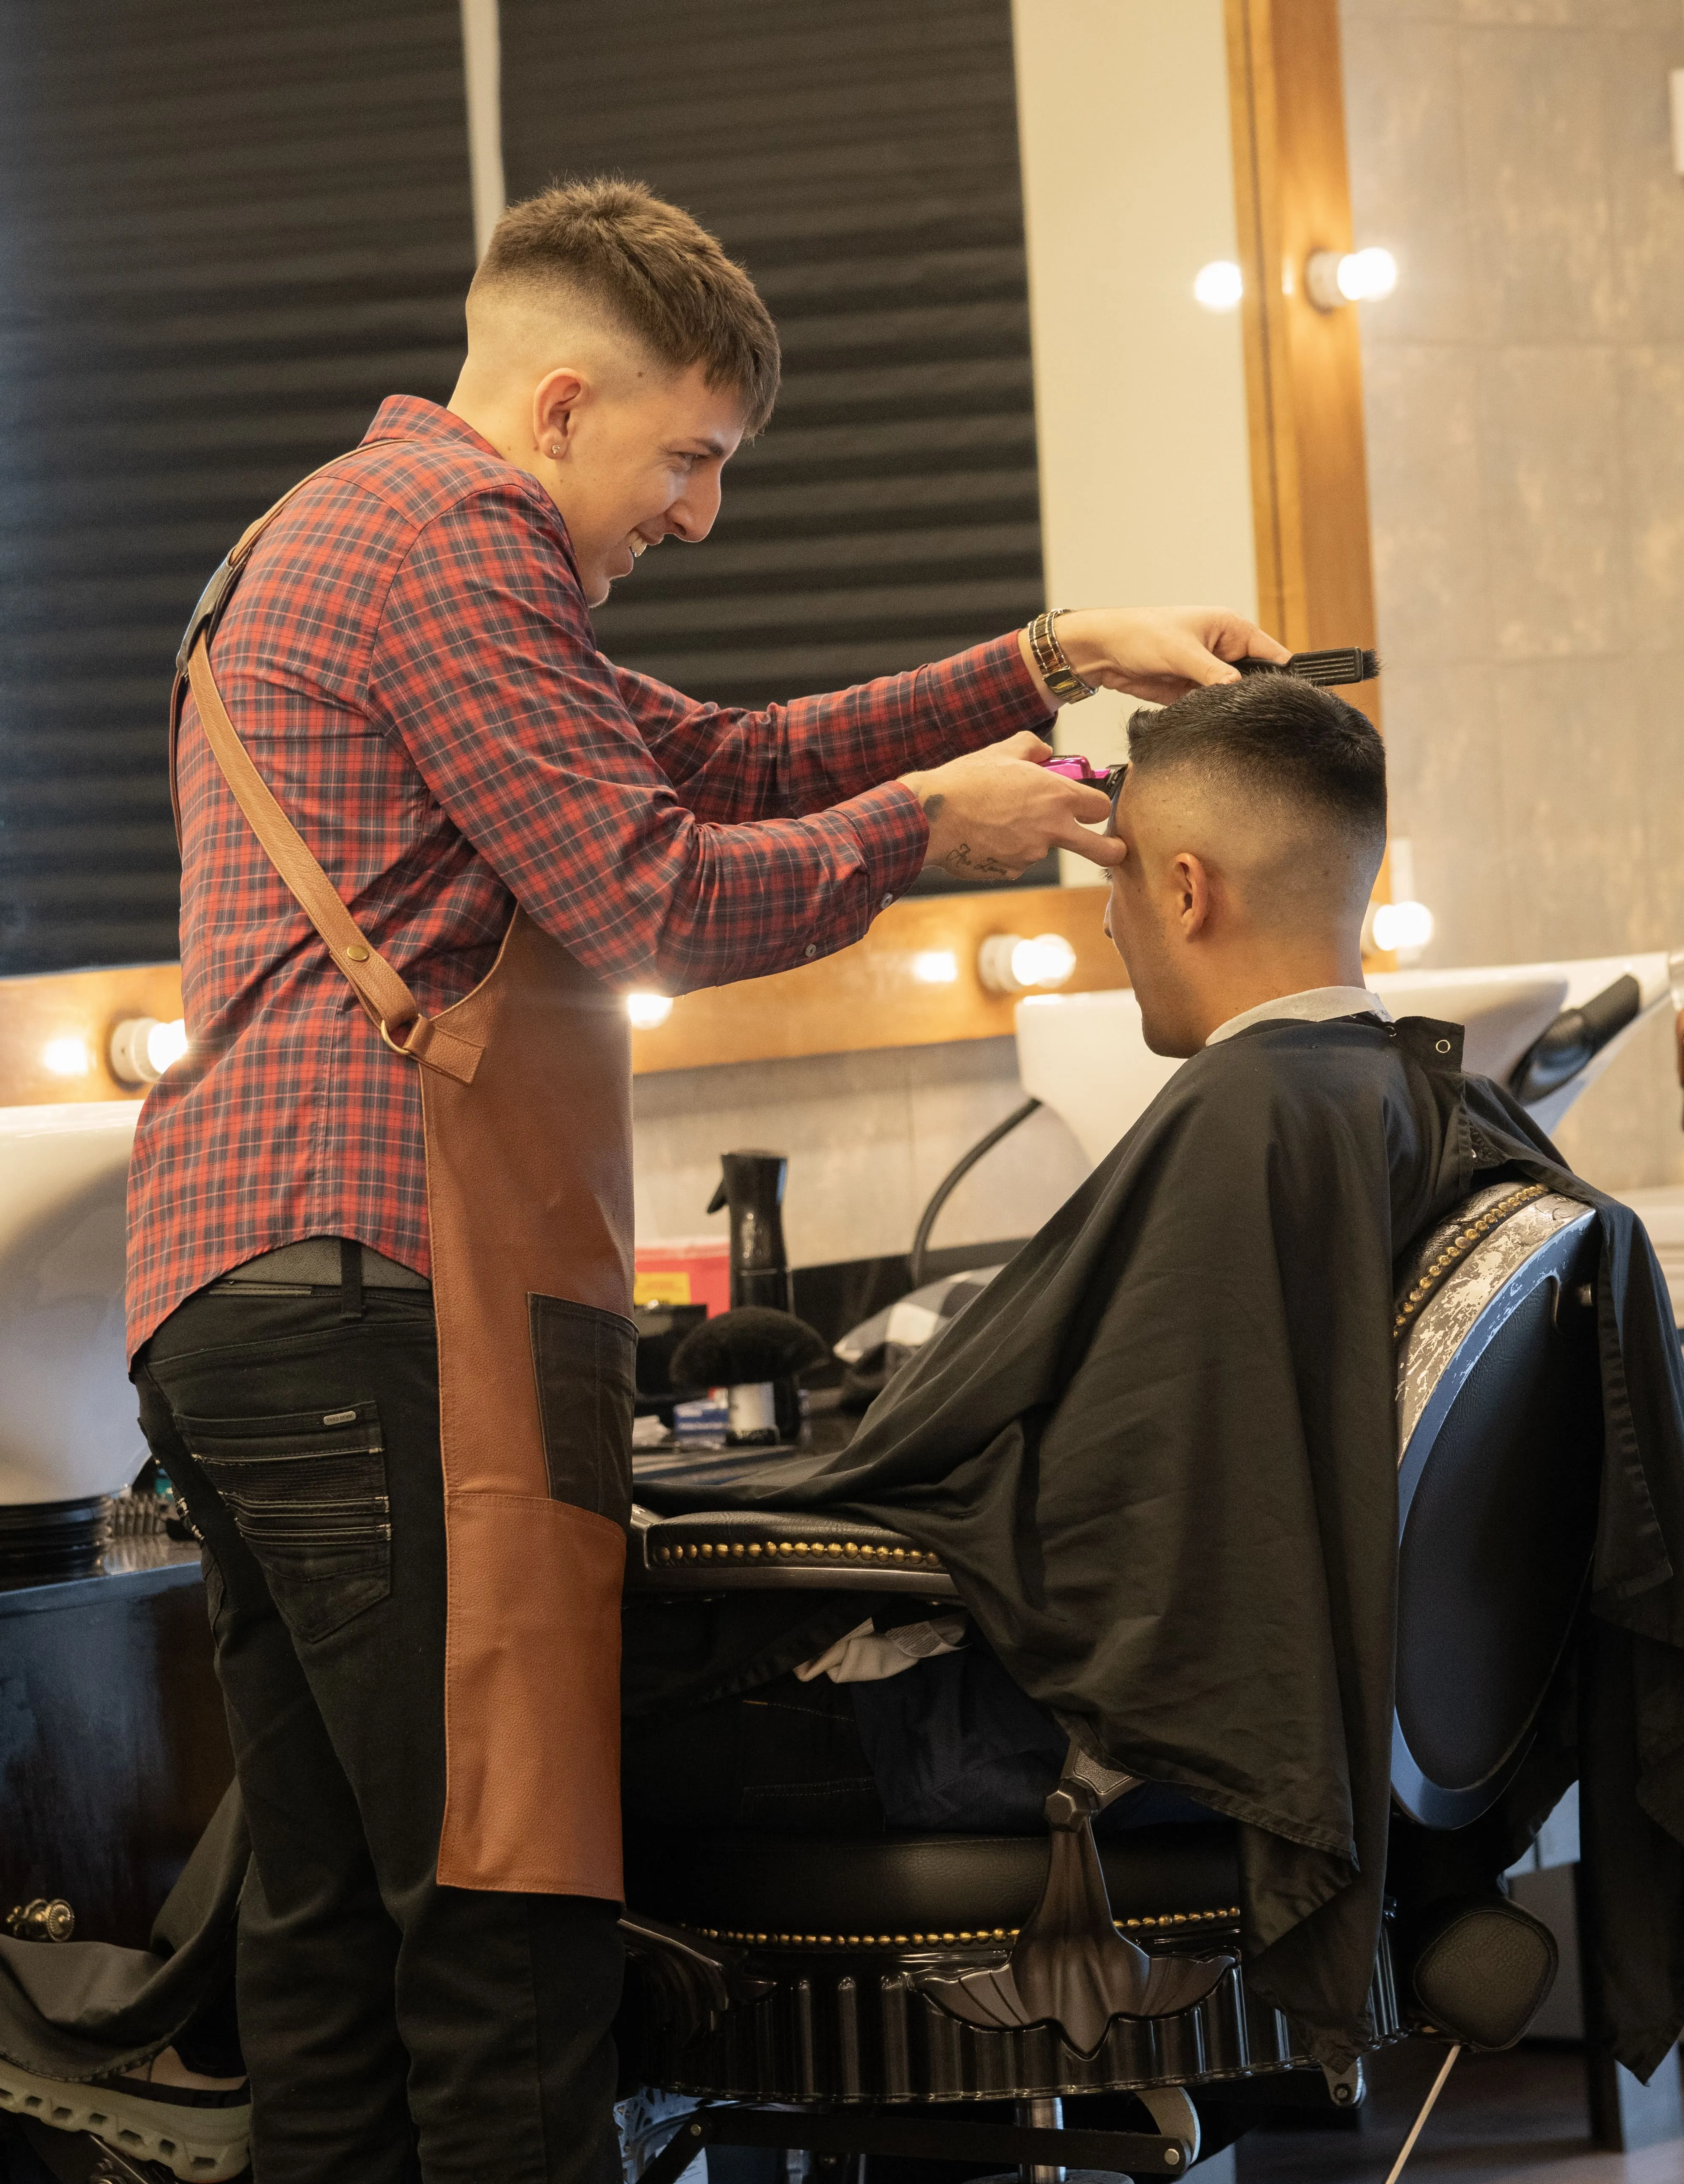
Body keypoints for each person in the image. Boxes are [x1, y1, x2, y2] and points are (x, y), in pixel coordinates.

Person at [118, 174, 1292, 2184]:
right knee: (505, 1932)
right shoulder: (459, 541)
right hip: (385, 1294)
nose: (705, 506)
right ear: (563, 401)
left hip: (241, 1298)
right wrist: (932, 834)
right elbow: (650, 883)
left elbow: (721, 754)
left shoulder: (336, 536)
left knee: (341, 1954)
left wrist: (1044, 656)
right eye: (689, 454)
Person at [623, 673, 1684, 2079]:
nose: (1110, 926)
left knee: (496, 1763)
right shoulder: (1439, 1103)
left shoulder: (1250, 1116)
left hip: (1070, 1759)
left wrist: (747, 1499)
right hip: (1289, 1754)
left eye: (1112, 890)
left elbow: (1050, 1493)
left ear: (1185, 888)